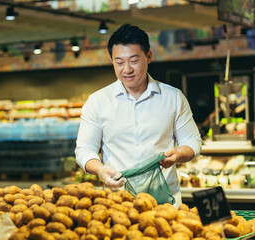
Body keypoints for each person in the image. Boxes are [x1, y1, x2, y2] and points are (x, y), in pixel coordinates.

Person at [75, 24, 202, 208]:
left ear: (148, 56)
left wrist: (179, 154)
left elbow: (193, 141)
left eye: (133, 60)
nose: (126, 69)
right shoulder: (97, 101)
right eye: (119, 62)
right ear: (112, 60)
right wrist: (100, 170)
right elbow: (84, 149)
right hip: (118, 205)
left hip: (165, 204)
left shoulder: (173, 97)